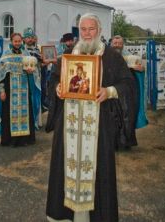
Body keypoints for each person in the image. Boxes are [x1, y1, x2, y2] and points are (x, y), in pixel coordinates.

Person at [46, 13, 133, 222]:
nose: (87, 33)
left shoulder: (111, 56)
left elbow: (128, 84)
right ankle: (65, 216)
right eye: (83, 29)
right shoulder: (68, 55)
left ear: (99, 30)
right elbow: (54, 80)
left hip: (99, 126)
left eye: (91, 29)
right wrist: (58, 88)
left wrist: (109, 91)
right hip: (69, 125)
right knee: (64, 168)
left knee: (99, 171)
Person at [0, 32, 40, 147]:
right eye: (15, 41)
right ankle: (10, 140)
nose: (17, 43)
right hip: (10, 92)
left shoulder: (26, 54)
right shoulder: (6, 55)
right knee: (9, 116)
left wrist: (31, 73)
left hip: (24, 91)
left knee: (25, 114)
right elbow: (0, 76)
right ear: (11, 41)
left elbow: (34, 71)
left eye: (19, 41)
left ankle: (24, 140)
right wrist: (1, 91)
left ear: (21, 41)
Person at [111, 35, 148, 144]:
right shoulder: (106, 55)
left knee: (127, 117)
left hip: (125, 94)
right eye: (115, 43)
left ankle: (126, 142)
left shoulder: (130, 57)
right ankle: (111, 142)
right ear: (111, 43)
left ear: (123, 45)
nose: (117, 45)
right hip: (110, 92)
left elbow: (137, 72)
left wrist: (141, 69)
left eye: (119, 43)